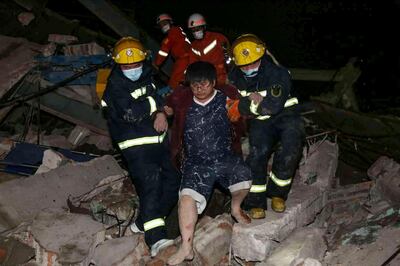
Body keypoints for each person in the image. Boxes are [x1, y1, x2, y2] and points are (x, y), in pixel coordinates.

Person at [165, 61, 252, 265]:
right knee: (186, 199)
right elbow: (166, 105)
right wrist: (160, 113)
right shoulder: (182, 99)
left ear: (213, 82)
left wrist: (249, 106)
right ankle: (186, 248)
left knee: (245, 177)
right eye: (195, 85)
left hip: (224, 157)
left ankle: (236, 208)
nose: (199, 89)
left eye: (204, 84)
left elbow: (247, 114)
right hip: (196, 163)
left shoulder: (227, 98)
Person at [101, 37, 180, 257]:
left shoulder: (147, 78)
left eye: (136, 64)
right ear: (118, 64)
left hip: (158, 141)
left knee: (174, 181)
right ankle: (156, 239)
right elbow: (131, 113)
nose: (132, 69)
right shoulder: (115, 86)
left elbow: (154, 101)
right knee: (151, 185)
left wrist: (162, 112)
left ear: (143, 61)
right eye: (127, 66)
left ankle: (142, 223)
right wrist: (159, 106)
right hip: (135, 146)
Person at [228, 34, 305, 219]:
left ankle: (278, 194)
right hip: (260, 122)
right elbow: (233, 108)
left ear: (261, 56)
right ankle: (255, 202)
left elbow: (273, 105)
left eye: (252, 63)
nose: (248, 68)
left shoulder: (277, 73)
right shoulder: (235, 78)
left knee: (291, 148)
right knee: (257, 153)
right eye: (244, 65)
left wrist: (251, 103)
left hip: (287, 116)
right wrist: (252, 104)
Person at [188, 13, 230, 85]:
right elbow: (193, 64)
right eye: (193, 30)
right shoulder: (193, 46)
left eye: (198, 28)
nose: (196, 32)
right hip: (206, 80)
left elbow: (229, 56)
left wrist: (230, 75)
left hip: (223, 77)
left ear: (204, 27)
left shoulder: (218, 38)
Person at [154, 13, 192, 89]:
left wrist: (156, 64)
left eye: (165, 23)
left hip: (184, 60)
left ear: (171, 22)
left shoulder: (172, 34)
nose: (163, 26)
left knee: (173, 85)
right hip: (190, 59)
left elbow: (164, 51)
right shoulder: (179, 31)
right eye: (161, 25)